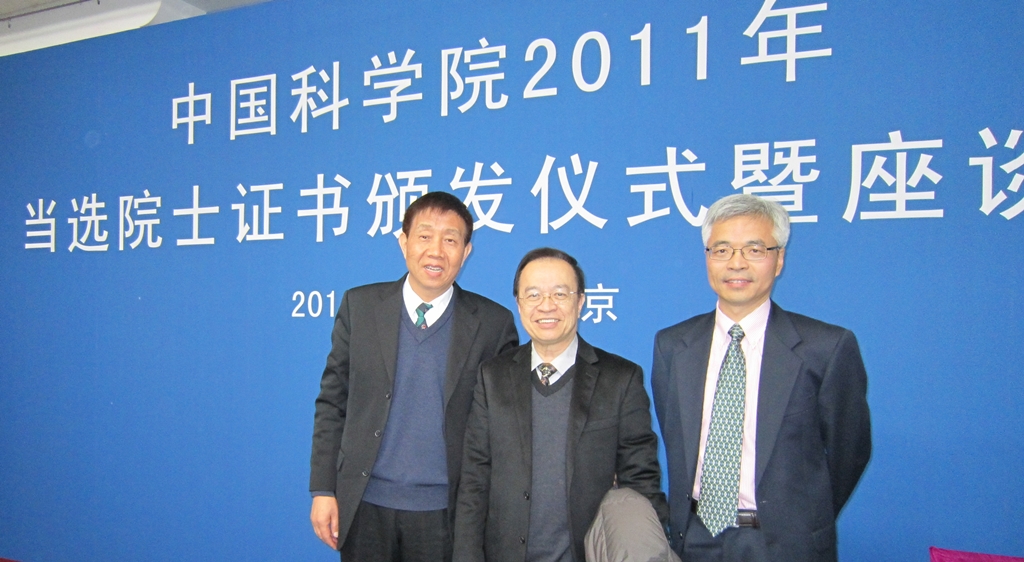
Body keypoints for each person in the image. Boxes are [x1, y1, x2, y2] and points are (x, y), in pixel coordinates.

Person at [651, 193, 871, 562]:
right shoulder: (673, 345)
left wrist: (803, 518)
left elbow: (849, 452)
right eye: (722, 250)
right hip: (694, 539)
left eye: (754, 250)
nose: (736, 263)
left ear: (779, 259)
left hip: (787, 544)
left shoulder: (825, 347)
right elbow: (675, 439)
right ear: (707, 257)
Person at [309, 191, 519, 561]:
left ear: (466, 251)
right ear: (403, 242)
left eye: (450, 240)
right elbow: (332, 402)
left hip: (446, 513)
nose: (436, 251)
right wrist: (323, 489)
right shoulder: (360, 307)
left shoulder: (493, 324)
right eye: (424, 236)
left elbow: (502, 428)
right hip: (365, 506)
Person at [453, 247, 668, 562]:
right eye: (533, 295)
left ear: (580, 302)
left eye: (560, 294)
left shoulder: (620, 379)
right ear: (519, 304)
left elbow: (641, 482)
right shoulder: (493, 376)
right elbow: (474, 480)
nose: (546, 305)